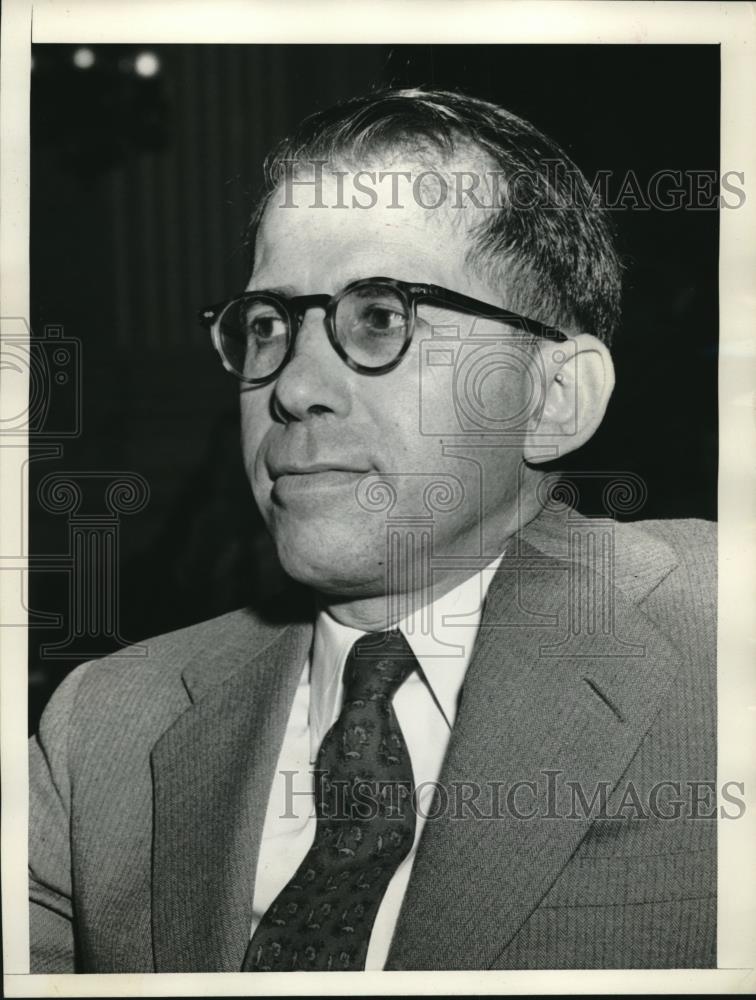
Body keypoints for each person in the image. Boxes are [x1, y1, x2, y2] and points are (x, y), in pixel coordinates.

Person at [29, 87, 716, 973]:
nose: (293, 387)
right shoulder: (102, 728)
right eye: (270, 325)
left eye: (380, 316)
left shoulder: (720, 635)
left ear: (554, 396)